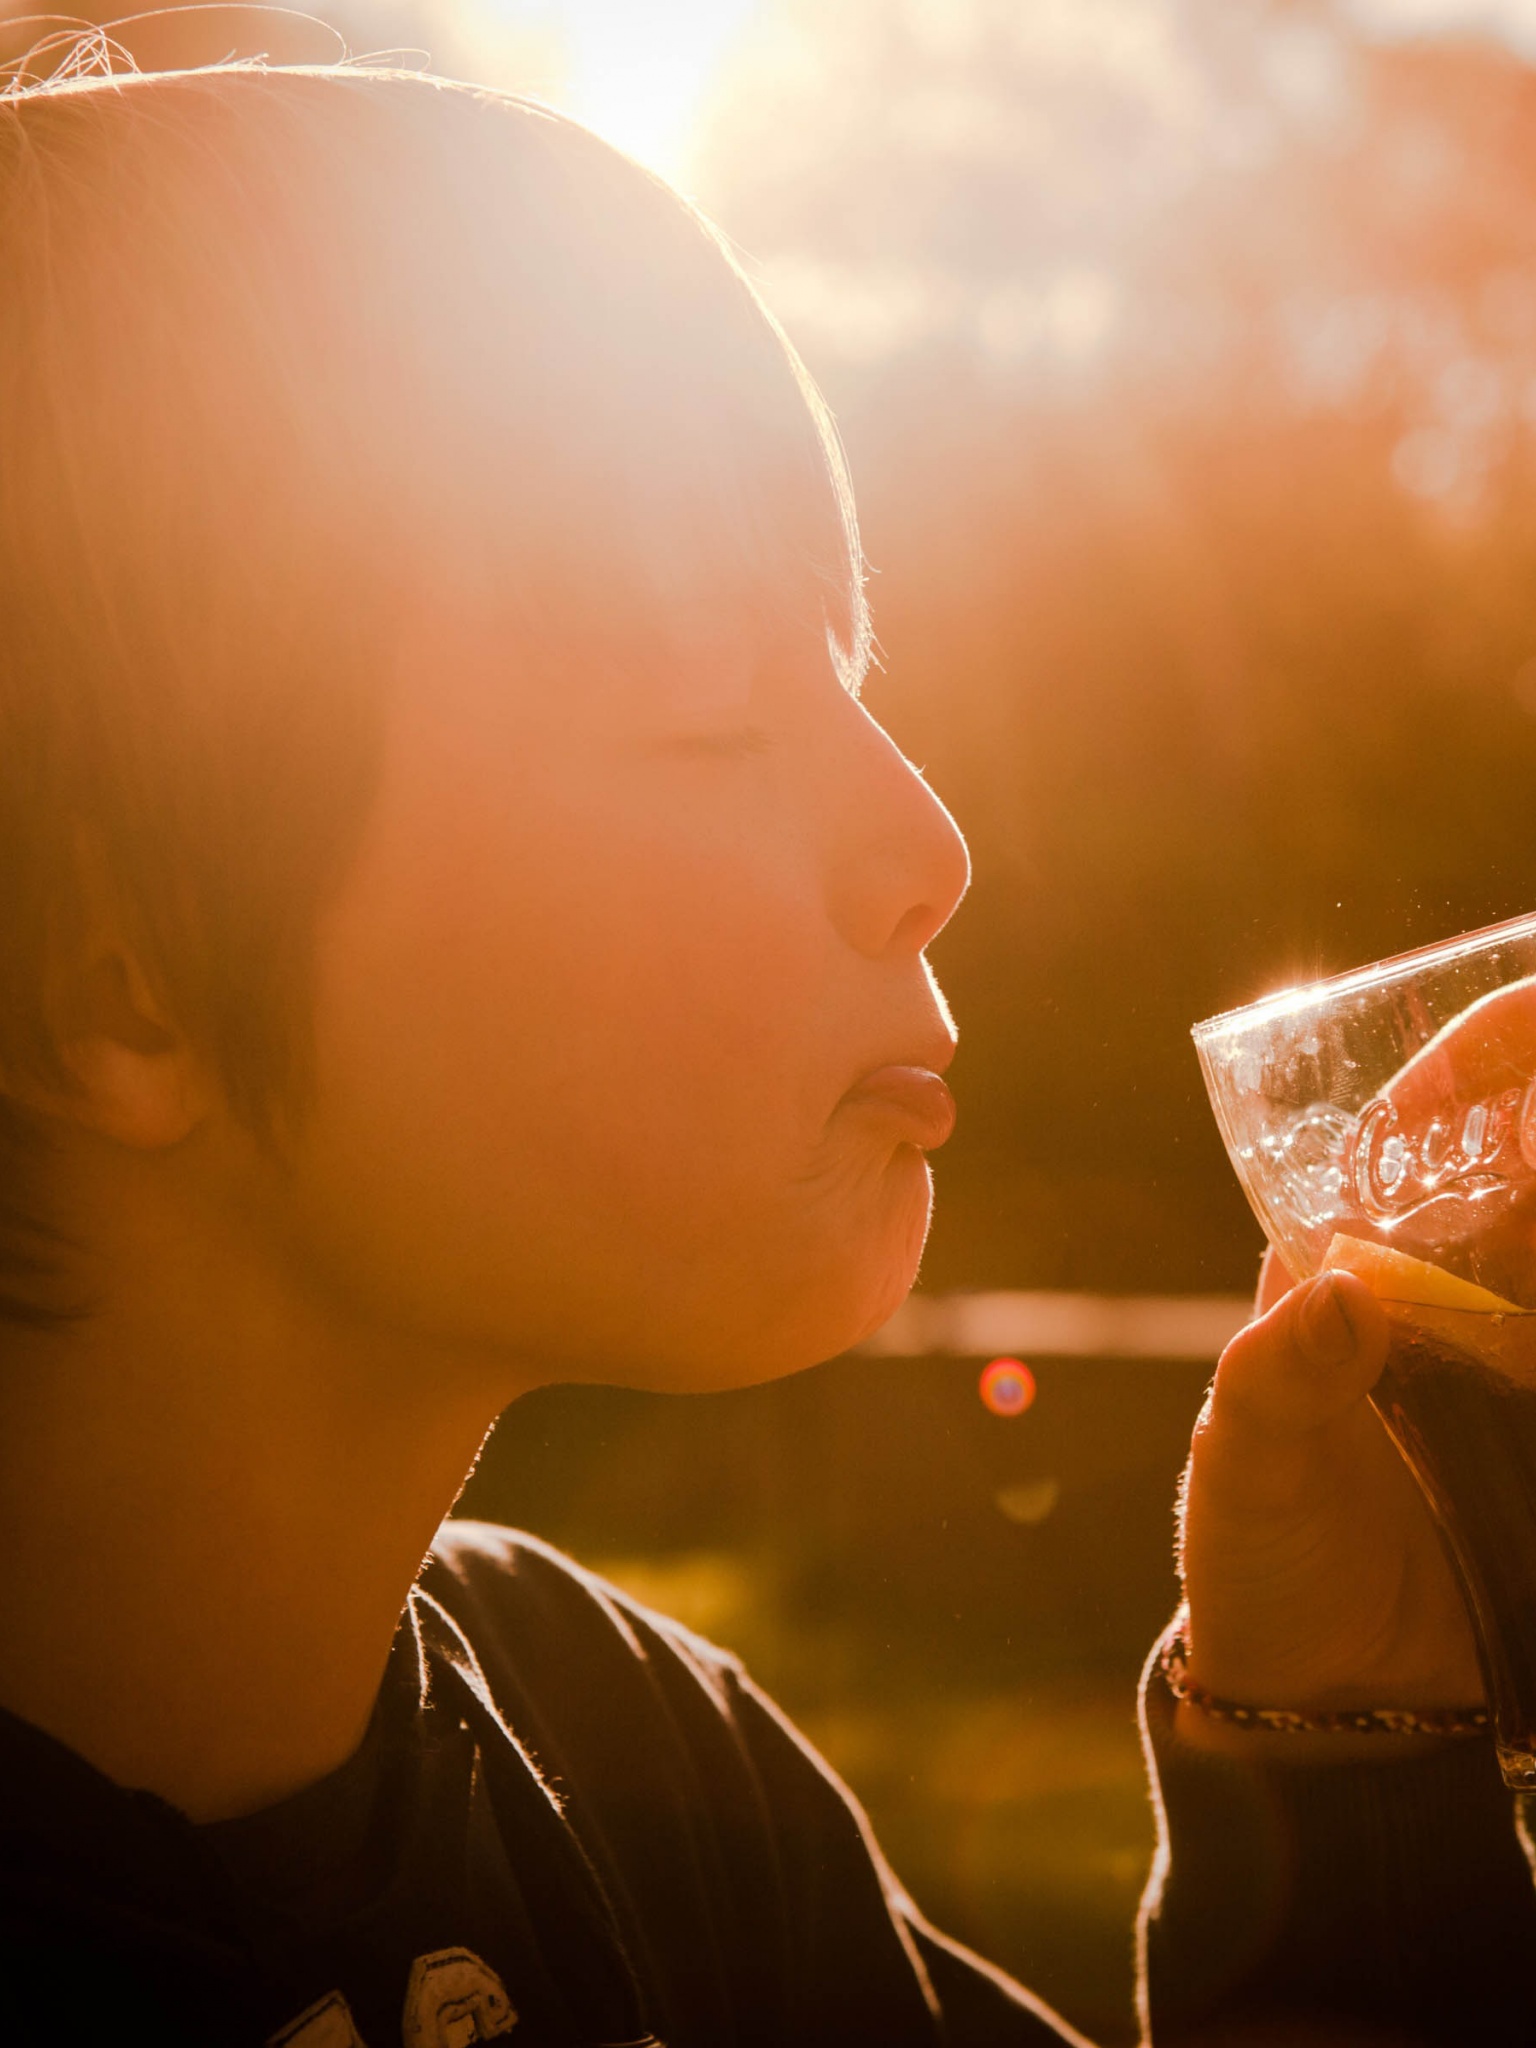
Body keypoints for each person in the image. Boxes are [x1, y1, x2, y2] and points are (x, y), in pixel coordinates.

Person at [0, 45, 1531, 2048]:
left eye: (855, 679)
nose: (929, 843)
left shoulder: (648, 1778)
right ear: (131, 976)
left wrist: (1344, 1755)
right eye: (709, 697)